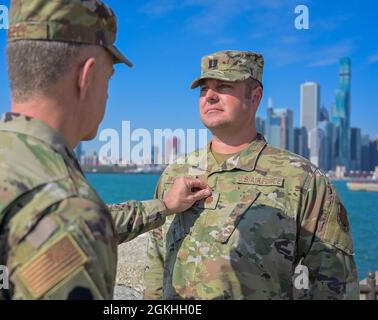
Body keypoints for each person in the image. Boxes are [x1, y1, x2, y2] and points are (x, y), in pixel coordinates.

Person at [0, 0, 211, 300]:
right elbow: (71, 227)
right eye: (108, 79)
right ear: (86, 77)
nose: (107, 94)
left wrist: (164, 206)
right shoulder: (68, 207)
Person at [144, 50, 359, 300]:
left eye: (223, 86)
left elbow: (333, 283)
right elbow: (156, 263)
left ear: (255, 97)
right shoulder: (176, 172)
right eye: (204, 89)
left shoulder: (302, 179)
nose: (209, 96)